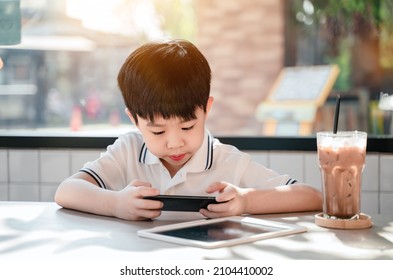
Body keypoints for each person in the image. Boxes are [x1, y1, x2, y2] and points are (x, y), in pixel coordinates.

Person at [55, 39, 322, 221]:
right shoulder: (127, 151)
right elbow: (66, 191)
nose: (174, 143)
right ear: (134, 120)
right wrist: (115, 204)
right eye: (158, 132)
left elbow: (312, 197)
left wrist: (246, 201)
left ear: (207, 109)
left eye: (187, 126)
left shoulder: (227, 161)